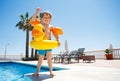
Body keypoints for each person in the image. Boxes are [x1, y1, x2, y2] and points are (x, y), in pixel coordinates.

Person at [31, 7, 60, 77]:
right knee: (41, 57)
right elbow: (33, 19)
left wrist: (58, 40)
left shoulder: (51, 26)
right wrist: (37, 12)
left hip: (48, 43)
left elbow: (55, 33)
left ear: (50, 19)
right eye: (44, 17)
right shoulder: (40, 24)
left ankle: (51, 72)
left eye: (48, 17)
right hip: (42, 43)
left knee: (49, 57)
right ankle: (37, 72)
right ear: (42, 18)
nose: (46, 19)